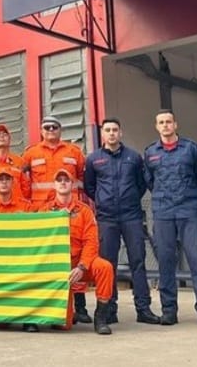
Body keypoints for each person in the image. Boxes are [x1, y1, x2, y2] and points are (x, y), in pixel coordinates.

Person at [84, 118, 160, 325]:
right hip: (107, 218)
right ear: (102, 134)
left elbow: (141, 184)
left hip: (131, 216)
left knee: (138, 261)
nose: (111, 133)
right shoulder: (93, 159)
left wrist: (130, 199)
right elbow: (90, 187)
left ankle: (143, 309)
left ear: (121, 133)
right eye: (107, 130)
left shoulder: (134, 157)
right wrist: (103, 201)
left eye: (115, 130)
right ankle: (109, 309)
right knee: (108, 265)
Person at [143, 110, 197, 327]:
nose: (165, 125)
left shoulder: (191, 149)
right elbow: (149, 181)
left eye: (169, 122)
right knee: (166, 263)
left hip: (188, 211)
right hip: (163, 212)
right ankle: (169, 311)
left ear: (176, 124)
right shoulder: (150, 152)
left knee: (196, 262)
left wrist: (189, 196)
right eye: (161, 122)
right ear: (157, 126)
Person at [22, 115, 89, 323]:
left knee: (74, 257)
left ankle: (81, 307)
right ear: (41, 131)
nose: (50, 130)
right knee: (47, 259)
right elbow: (23, 184)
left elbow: (83, 179)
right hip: (44, 216)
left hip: (70, 213)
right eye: (46, 127)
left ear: (60, 130)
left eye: (54, 126)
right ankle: (51, 304)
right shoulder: (30, 153)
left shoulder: (74, 152)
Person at [44, 169, 115, 335]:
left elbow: (91, 242)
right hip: (58, 267)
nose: (62, 182)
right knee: (63, 326)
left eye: (66, 180)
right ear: (54, 185)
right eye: (59, 180)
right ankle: (69, 314)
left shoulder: (84, 211)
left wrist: (82, 267)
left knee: (105, 267)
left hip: (81, 263)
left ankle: (101, 317)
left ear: (72, 185)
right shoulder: (45, 211)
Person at [0, 167, 36, 332]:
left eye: (7, 179)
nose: (4, 182)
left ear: (13, 182)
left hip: (20, 260)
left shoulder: (26, 208)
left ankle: (29, 318)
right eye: (0, 179)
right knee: (1, 324)